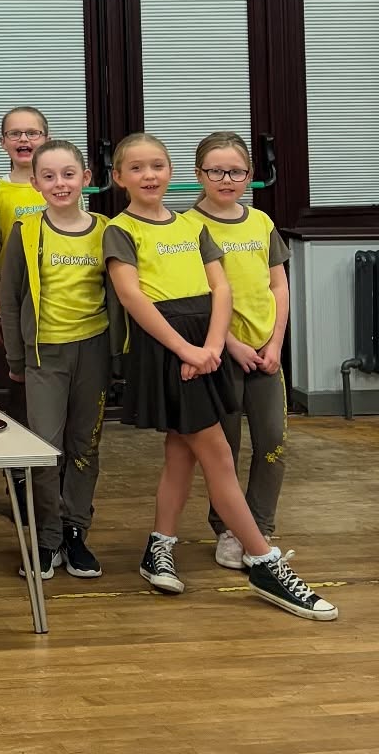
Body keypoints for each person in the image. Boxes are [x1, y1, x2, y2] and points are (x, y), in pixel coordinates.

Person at [104, 133, 334, 620]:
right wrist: (187, 349)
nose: (149, 175)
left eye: (158, 165)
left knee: (181, 455)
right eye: (137, 168)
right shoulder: (120, 230)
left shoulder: (192, 226)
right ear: (118, 177)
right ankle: (265, 563)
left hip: (203, 346)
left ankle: (159, 546)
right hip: (168, 348)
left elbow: (220, 287)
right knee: (219, 458)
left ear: (172, 172)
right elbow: (133, 297)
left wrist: (210, 347)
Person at [0, 139, 118, 579]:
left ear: (85, 178)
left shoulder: (107, 229)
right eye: (48, 176)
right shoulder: (26, 231)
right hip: (44, 355)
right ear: (35, 183)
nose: (59, 183)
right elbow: (9, 299)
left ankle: (75, 531)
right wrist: (16, 357)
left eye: (68, 174)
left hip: (94, 352)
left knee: (84, 445)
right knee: (45, 448)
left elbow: (125, 293)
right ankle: (47, 536)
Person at [191, 132, 292, 570]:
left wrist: (275, 343)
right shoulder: (188, 227)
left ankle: (260, 526)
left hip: (266, 355)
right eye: (216, 170)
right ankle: (229, 529)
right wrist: (229, 344)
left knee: (273, 441)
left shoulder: (262, 222)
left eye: (235, 171)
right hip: (219, 356)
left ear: (250, 175)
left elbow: (278, 286)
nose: (226, 179)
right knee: (224, 450)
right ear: (199, 174)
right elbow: (195, 296)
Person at [0, 106, 51, 258]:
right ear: (3, 142)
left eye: (32, 133)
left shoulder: (64, 186)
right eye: (14, 133)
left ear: (47, 140)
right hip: (12, 273)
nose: (23, 139)